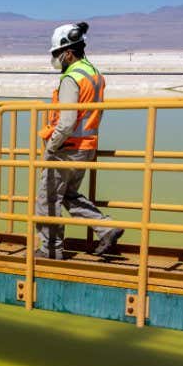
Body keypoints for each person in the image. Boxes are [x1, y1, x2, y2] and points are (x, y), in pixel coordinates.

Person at [36, 21, 124, 260]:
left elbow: (66, 121)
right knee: (69, 195)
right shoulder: (94, 74)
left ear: (68, 52)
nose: (55, 59)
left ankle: (50, 249)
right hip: (86, 147)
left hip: (66, 148)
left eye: (56, 54)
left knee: (48, 198)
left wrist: (51, 147)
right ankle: (106, 228)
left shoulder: (71, 78)